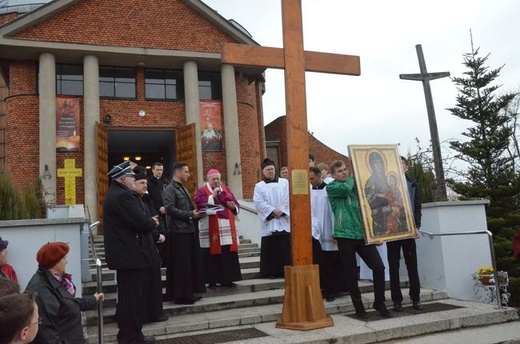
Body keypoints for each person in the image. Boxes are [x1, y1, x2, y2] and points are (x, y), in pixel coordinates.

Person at [103, 160, 159, 344]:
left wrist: (147, 221)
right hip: (129, 257)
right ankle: (130, 338)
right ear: (123, 178)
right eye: (131, 177)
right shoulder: (122, 196)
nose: (133, 180)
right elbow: (141, 222)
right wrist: (152, 222)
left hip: (129, 256)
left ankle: (135, 336)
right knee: (131, 301)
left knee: (134, 300)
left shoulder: (118, 194)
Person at [326, 160, 390, 318]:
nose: (343, 172)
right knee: (350, 273)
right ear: (333, 175)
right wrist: (355, 176)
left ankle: (379, 302)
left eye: (345, 169)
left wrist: (376, 233)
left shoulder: (357, 185)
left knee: (379, 267)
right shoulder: (332, 187)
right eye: (339, 171)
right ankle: (359, 307)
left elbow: (370, 203)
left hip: (362, 234)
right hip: (344, 236)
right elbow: (346, 188)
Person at [25, 242, 104, 343]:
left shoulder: (55, 280)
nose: (66, 262)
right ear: (54, 264)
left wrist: (92, 300)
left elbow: (67, 304)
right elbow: (46, 333)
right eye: (64, 259)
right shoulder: (41, 289)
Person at [163, 162, 206, 304]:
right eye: (186, 172)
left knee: (188, 264)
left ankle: (189, 292)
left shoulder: (183, 188)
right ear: (177, 173)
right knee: (181, 265)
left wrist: (198, 213)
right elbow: (169, 208)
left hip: (188, 230)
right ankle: (181, 295)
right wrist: (190, 214)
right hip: (178, 231)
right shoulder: (170, 189)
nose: (188, 174)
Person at [194, 169, 242, 289]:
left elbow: (236, 203)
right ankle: (212, 281)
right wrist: (212, 196)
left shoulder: (226, 189)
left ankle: (228, 279)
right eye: (213, 179)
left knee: (227, 253)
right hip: (211, 225)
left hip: (226, 226)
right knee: (211, 254)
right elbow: (198, 202)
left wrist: (234, 207)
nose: (216, 181)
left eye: (218, 179)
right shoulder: (202, 191)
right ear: (208, 180)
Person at [387, 156, 423, 311]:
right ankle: (397, 300)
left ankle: (416, 298)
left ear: (406, 166)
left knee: (412, 265)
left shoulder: (412, 183)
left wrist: (417, 226)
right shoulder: (386, 184)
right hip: (393, 229)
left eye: (401, 163)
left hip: (408, 229)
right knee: (393, 266)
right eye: (396, 163)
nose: (399, 166)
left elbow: (417, 207)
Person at [132, 166, 168, 323]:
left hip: (150, 245)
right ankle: (151, 313)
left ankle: (155, 312)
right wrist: (156, 234)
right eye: (141, 183)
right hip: (144, 249)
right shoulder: (133, 201)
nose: (145, 186)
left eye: (145, 183)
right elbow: (144, 222)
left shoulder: (142, 200)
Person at [309, 166, 344, 302]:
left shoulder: (328, 190)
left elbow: (334, 211)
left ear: (319, 176)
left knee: (330, 262)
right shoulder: (309, 192)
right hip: (315, 230)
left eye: (312, 178)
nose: (310, 181)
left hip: (328, 229)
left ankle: (332, 290)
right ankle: (322, 288)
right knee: (319, 262)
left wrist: (336, 231)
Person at [253, 158, 291, 279]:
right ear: (263, 172)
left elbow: (289, 198)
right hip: (270, 221)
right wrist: (273, 211)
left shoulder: (284, 183)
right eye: (268, 170)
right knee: (271, 247)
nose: (271, 172)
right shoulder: (259, 186)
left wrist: (282, 211)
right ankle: (271, 272)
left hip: (283, 219)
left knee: (284, 246)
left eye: (272, 169)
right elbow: (258, 202)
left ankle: (286, 270)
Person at [147, 162, 170, 265]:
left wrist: (167, 206)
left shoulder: (166, 181)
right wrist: (158, 207)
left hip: (167, 213)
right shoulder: (148, 182)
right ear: (153, 170)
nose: (160, 172)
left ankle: (167, 259)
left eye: (161, 170)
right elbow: (149, 198)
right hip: (156, 213)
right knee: (159, 236)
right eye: (157, 170)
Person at [364, 151, 391, 238]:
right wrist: (380, 195)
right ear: (371, 165)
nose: (378, 165)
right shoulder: (371, 181)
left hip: (390, 214)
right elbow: (368, 198)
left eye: (380, 162)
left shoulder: (387, 179)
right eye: (375, 163)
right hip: (379, 215)